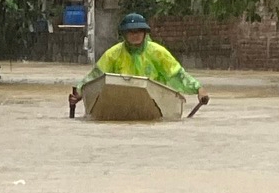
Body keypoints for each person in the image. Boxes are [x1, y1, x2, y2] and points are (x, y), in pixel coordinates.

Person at [70, 14, 209, 117]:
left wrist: (198, 88)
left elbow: (177, 75)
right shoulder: (113, 54)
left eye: (138, 31)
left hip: (155, 103)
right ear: (124, 34)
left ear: (144, 33)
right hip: (120, 104)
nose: (135, 35)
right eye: (131, 32)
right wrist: (80, 92)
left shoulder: (158, 53)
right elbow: (95, 77)